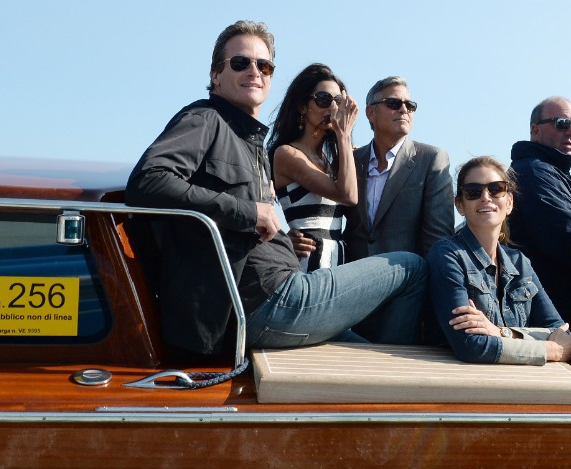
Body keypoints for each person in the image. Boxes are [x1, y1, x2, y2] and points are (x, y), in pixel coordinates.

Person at [126, 20, 426, 355]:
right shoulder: (205, 119)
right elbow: (148, 181)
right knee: (410, 267)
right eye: (241, 63)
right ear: (216, 76)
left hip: (278, 294)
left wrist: (284, 238)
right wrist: (249, 211)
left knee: (374, 360)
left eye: (264, 65)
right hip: (268, 299)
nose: (254, 71)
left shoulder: (251, 143)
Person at [427, 156, 571, 365]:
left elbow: (562, 333)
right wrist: (545, 349)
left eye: (496, 189)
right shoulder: (448, 255)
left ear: (509, 202)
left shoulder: (520, 262)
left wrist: (500, 332)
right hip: (460, 382)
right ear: (459, 205)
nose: (485, 197)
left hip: (519, 382)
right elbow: (469, 346)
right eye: (473, 191)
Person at [294, 76, 454, 262]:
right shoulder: (348, 161)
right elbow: (320, 212)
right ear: (371, 112)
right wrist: (290, 238)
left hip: (408, 284)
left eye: (410, 106)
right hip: (353, 282)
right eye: (393, 103)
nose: (404, 109)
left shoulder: (432, 160)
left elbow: (438, 241)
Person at [508, 96, 571, 335]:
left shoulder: (549, 170)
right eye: (562, 123)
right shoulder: (534, 172)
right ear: (535, 130)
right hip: (557, 315)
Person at [268, 63, 358, 272]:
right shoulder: (287, 154)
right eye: (324, 100)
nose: (333, 108)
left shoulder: (330, 160)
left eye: (338, 101)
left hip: (336, 266)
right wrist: (343, 134)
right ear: (302, 106)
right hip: (309, 268)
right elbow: (348, 195)